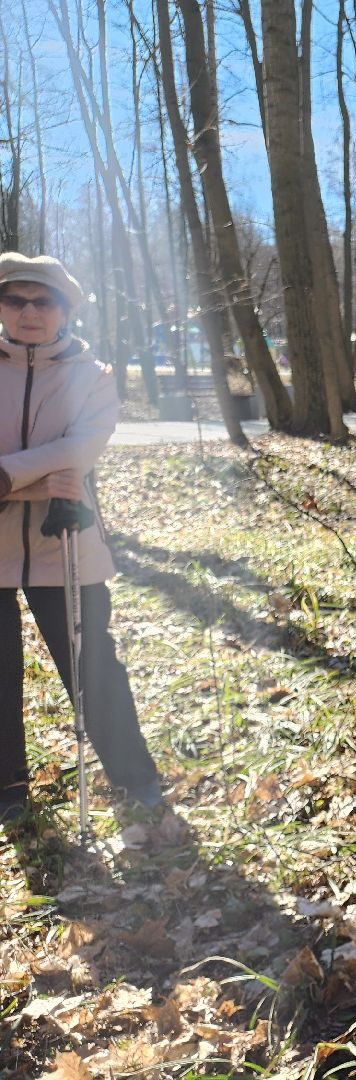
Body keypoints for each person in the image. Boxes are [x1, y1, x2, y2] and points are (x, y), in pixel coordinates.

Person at [0, 254, 165, 823]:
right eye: (14, 300)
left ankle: (136, 777)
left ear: (64, 310)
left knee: (92, 663)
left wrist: (3, 478)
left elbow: (82, 450)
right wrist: (41, 480)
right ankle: (8, 789)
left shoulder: (92, 377)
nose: (27, 312)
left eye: (41, 301)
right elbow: (61, 462)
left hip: (66, 540)